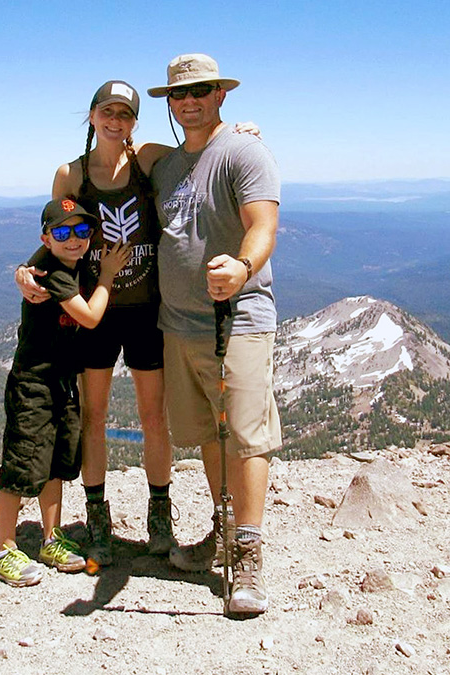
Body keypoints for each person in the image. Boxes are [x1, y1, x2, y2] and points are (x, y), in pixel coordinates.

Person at [15, 82, 259, 567]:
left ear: (134, 122)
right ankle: (97, 519)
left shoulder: (148, 158)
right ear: (91, 116)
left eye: (125, 114)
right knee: (95, 419)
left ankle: (159, 517)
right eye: (108, 112)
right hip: (96, 311)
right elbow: (57, 236)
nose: (115, 121)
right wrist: (26, 269)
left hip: (150, 310)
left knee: (154, 420)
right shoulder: (71, 174)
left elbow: (201, 154)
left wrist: (240, 135)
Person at [147, 53, 281, 617]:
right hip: (178, 325)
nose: (189, 101)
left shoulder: (244, 152)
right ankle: (224, 532)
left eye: (200, 91)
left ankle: (247, 553)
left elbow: (263, 224)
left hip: (238, 319)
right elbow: (124, 151)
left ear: (220, 95)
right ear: (170, 104)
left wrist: (243, 268)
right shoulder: (164, 163)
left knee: (246, 434)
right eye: (179, 95)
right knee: (208, 431)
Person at [0, 198, 130, 587]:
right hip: (34, 382)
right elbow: (89, 317)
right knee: (22, 464)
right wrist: (107, 278)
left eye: (82, 231)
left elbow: (51, 252)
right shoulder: (54, 273)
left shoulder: (70, 261)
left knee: (55, 463)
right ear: (46, 239)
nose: (75, 240)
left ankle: (49, 539)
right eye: (63, 232)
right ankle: (3, 550)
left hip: (63, 380)